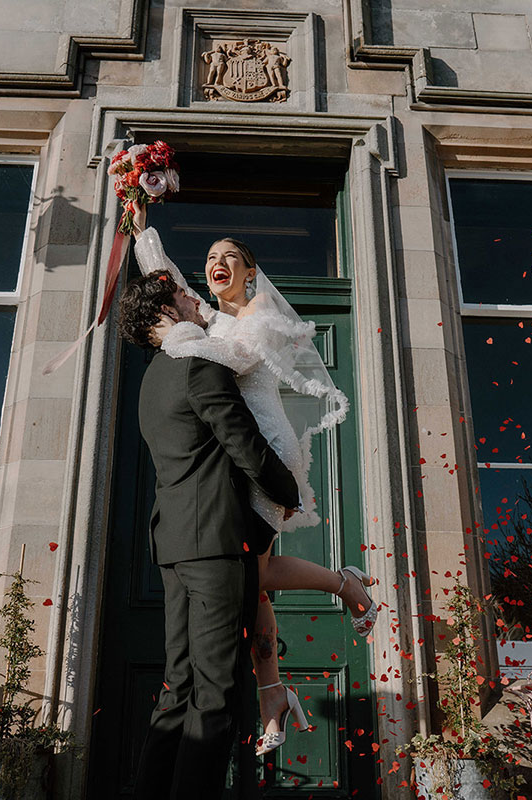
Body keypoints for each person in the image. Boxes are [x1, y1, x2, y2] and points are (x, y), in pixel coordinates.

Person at [130, 204, 377, 756]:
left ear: (249, 272)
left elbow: (236, 359)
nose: (218, 263)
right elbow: (160, 274)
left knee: (255, 574)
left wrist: (177, 337)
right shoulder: (205, 318)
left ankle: (346, 587)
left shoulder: (255, 314)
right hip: (233, 457)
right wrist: (138, 216)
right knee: (252, 578)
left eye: (230, 257)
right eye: (211, 257)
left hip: (266, 451)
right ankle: (272, 691)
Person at [116, 270, 302, 799]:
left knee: (179, 686)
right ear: (166, 314)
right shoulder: (198, 364)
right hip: (216, 545)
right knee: (217, 691)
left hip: (173, 546)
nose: (195, 297)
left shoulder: (152, 380)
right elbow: (242, 442)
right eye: (183, 294)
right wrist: (289, 492)